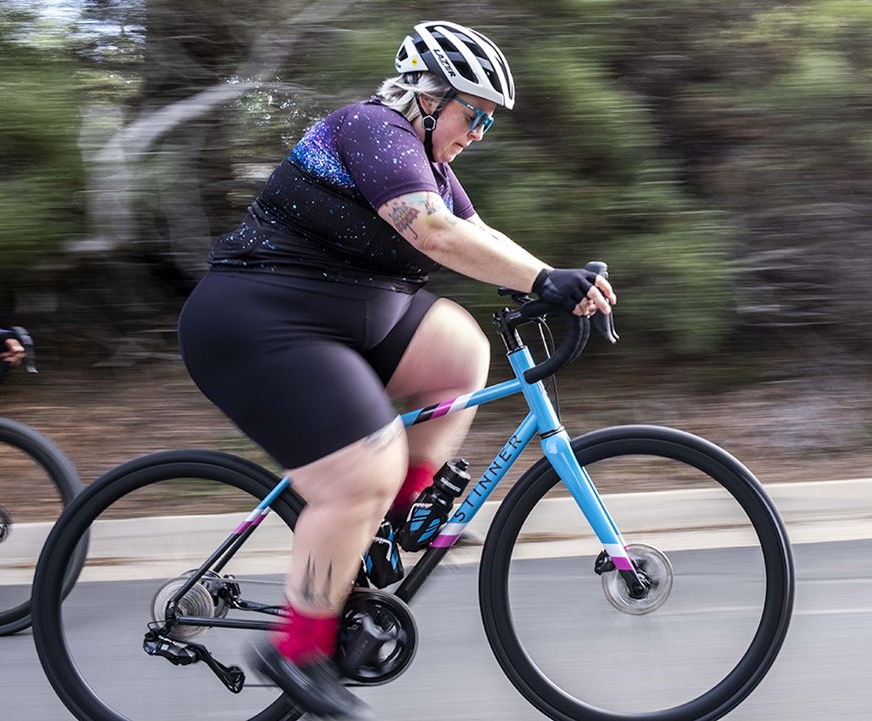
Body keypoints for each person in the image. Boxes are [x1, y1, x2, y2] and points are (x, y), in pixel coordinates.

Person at [176, 20, 614, 719]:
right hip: (258, 317)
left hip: (347, 314)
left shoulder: (432, 166)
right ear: (427, 96)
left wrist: (555, 278)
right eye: (473, 114)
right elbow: (433, 232)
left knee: (463, 351)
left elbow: (479, 234)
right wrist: (540, 277)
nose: (476, 133)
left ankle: (388, 526)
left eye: (487, 124)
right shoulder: (372, 129)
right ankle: (300, 646)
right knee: (362, 469)